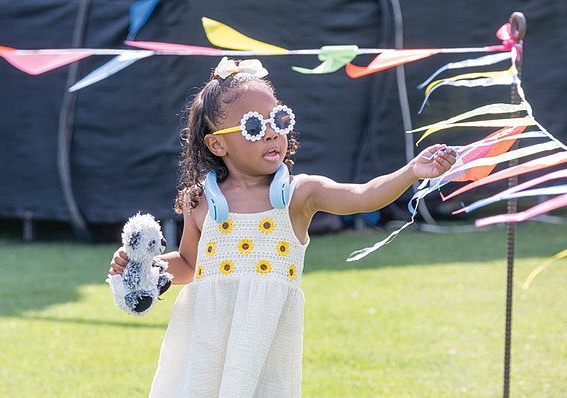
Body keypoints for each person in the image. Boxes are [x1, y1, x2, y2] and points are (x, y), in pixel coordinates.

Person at [109, 57, 457, 397]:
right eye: (254, 127)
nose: (272, 134)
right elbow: (188, 264)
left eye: (279, 119)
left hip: (265, 340)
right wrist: (144, 267)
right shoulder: (200, 201)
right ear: (217, 143)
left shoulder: (298, 194)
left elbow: (364, 196)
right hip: (206, 337)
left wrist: (411, 171)